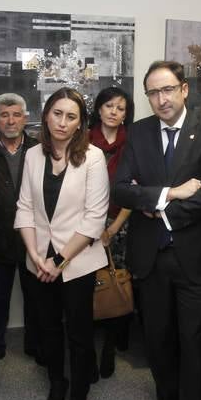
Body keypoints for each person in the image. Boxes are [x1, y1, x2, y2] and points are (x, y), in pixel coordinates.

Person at [112, 61, 201, 400]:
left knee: (196, 348)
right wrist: (168, 195)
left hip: (196, 260)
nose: (160, 99)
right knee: (158, 344)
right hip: (151, 260)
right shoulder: (141, 131)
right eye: (152, 92)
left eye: (167, 90)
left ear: (183, 90)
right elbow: (121, 189)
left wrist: (157, 209)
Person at [14, 87, 109, 400]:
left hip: (77, 261)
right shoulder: (33, 155)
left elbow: (94, 218)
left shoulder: (93, 158)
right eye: (57, 113)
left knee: (80, 335)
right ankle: (57, 386)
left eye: (71, 116)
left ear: (80, 122)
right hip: (38, 258)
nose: (62, 122)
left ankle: (78, 399)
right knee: (47, 330)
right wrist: (37, 255)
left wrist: (58, 260)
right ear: (46, 115)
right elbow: (24, 206)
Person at [0, 93, 40, 374]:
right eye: (4, 115)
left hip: (35, 238)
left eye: (16, 114)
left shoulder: (40, 149)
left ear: (25, 118)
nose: (10, 120)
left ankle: (36, 344)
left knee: (37, 295)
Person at [88, 85, 135, 378]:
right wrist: (93, 227)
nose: (114, 112)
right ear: (99, 109)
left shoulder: (133, 143)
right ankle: (89, 346)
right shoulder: (82, 140)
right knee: (90, 283)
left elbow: (136, 187)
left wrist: (114, 226)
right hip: (85, 225)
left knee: (117, 280)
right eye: (109, 106)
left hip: (122, 222)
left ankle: (110, 347)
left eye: (120, 108)